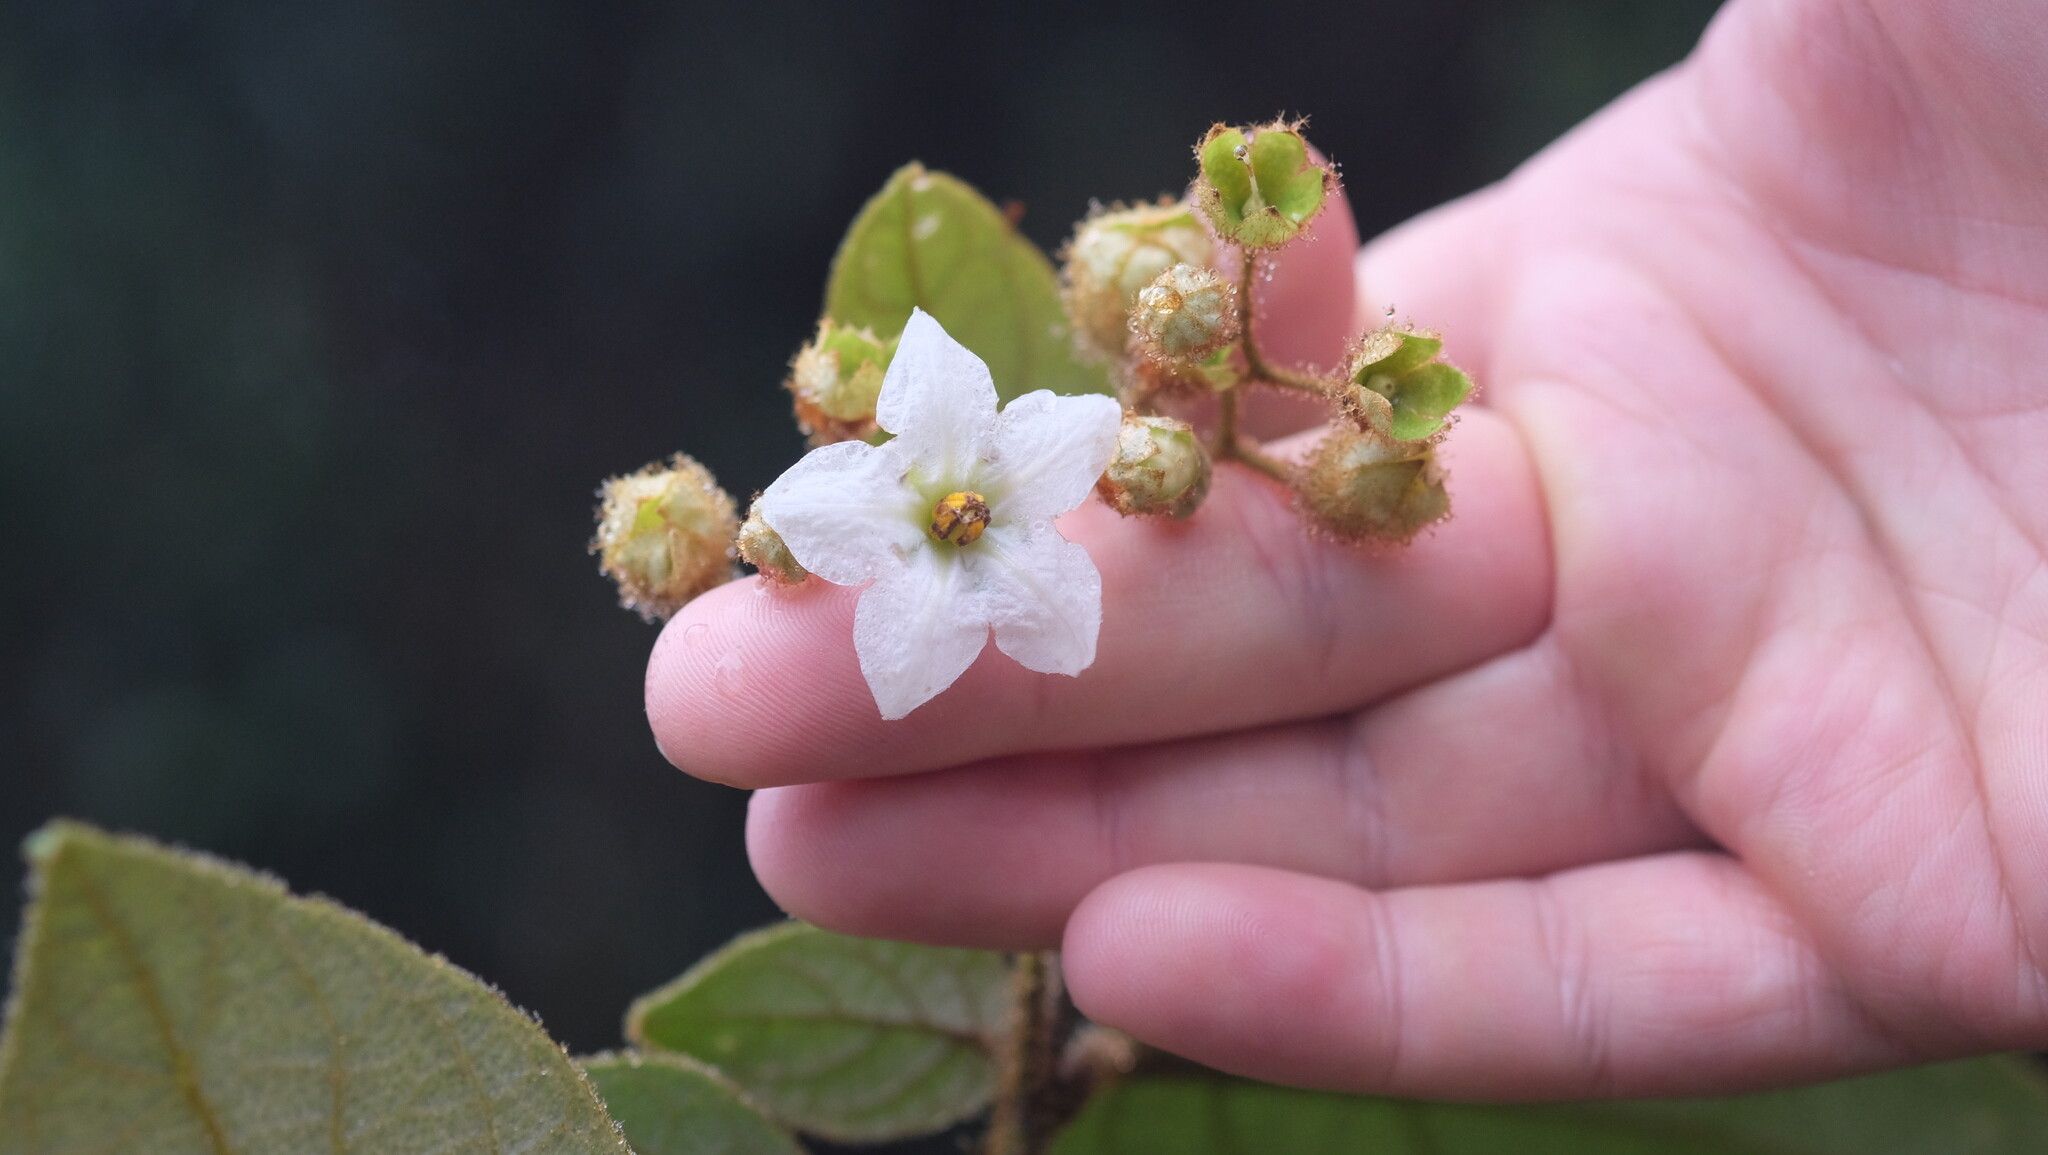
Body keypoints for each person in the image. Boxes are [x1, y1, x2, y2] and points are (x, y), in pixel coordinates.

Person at [643, 0, 2048, 1098]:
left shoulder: (1036, 458)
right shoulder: (936, 512)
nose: (959, 515)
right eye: (955, 517)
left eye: (963, 513)